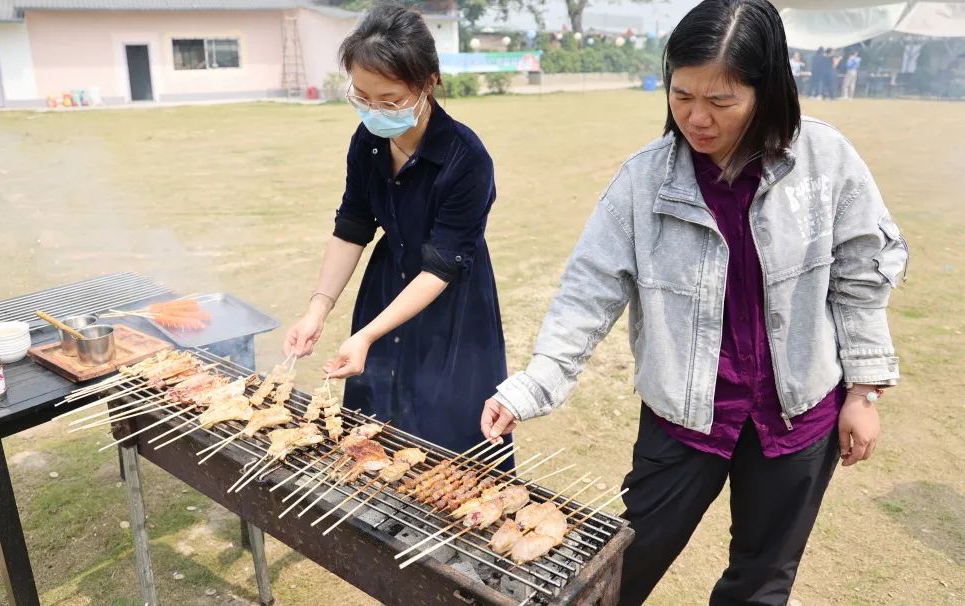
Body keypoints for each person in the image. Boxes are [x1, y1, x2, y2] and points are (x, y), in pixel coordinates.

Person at [479, 0, 909, 604]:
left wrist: (862, 392)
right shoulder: (645, 180)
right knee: (620, 567)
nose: (697, 118)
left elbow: (861, 275)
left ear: (768, 91)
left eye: (722, 101)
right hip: (683, 415)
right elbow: (587, 292)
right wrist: (533, 386)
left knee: (762, 578)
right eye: (682, 95)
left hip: (797, 416)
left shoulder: (826, 160)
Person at [284, 3, 508, 460]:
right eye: (362, 97)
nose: (374, 112)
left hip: (452, 308)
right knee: (374, 435)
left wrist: (366, 336)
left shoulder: (467, 159)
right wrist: (317, 311)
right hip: (386, 288)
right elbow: (351, 227)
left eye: (389, 101)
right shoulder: (366, 143)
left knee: (450, 443)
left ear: (428, 83)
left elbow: (442, 266)